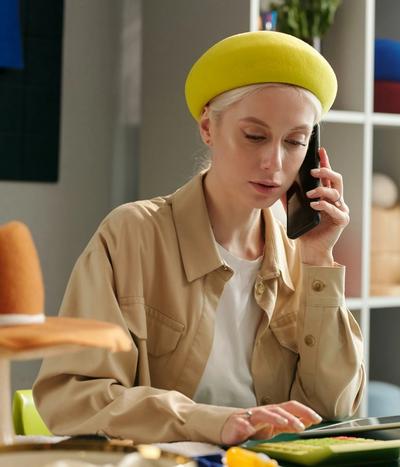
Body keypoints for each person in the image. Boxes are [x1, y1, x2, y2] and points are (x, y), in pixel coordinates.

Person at [33, 31, 365, 446]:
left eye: (295, 141)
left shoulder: (302, 254)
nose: (274, 163)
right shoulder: (131, 235)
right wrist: (212, 421)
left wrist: (319, 260)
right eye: (255, 135)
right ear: (208, 127)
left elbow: (334, 410)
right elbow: (70, 399)